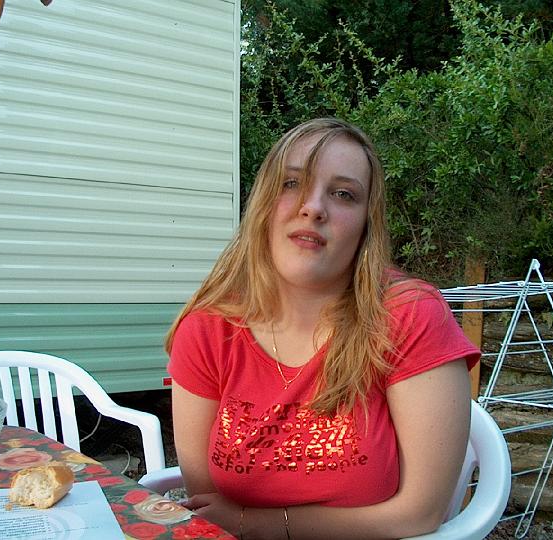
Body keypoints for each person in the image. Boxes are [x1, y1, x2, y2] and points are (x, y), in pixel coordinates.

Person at [167, 117, 481, 539]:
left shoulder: (410, 316)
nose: (313, 207)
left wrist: (259, 524)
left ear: (366, 224)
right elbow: (211, 506)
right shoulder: (208, 329)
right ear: (262, 205)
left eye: (343, 194)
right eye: (291, 183)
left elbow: (420, 513)